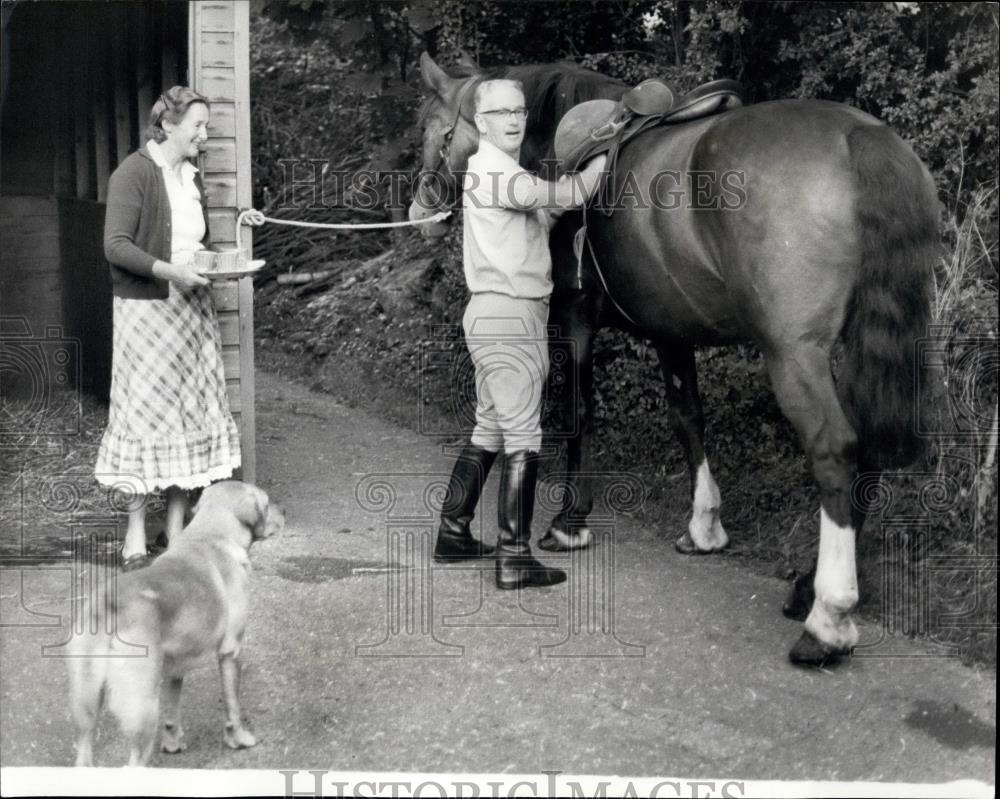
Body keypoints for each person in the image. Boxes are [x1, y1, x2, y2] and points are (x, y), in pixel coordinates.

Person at [433, 78, 607, 589]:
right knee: (523, 437)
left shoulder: (505, 173)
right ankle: (514, 555)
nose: (514, 120)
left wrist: (559, 197)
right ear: (481, 123)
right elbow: (569, 193)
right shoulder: (492, 170)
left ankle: (454, 531)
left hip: (499, 314)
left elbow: (545, 210)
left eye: (520, 111)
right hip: (509, 315)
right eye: (501, 112)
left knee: (489, 427)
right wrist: (606, 151)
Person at [96, 86, 251, 571]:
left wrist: (226, 246)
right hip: (147, 313)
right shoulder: (134, 173)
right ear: (167, 126)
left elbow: (192, 242)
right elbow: (116, 247)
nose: (204, 136)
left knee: (187, 416)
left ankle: (177, 528)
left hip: (191, 311)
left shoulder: (190, 177)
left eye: (206, 127)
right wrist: (172, 271)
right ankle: (136, 535)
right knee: (143, 418)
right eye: (198, 126)